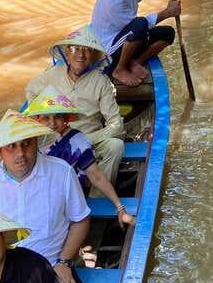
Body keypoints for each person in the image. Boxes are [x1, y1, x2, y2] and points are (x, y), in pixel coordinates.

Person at [0, 108, 91, 283]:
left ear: (36, 143)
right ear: (0, 151)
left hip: (51, 266)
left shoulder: (62, 172)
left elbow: (81, 220)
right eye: (11, 146)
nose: (20, 153)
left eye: (26, 144)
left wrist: (64, 262)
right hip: (4, 269)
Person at [24, 85, 136, 231]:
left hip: (67, 198)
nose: (52, 123)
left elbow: (97, 177)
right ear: (38, 119)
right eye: (46, 118)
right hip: (38, 197)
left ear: (65, 118)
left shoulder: (77, 140)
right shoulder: (30, 142)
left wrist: (119, 207)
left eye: (58, 117)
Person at [26, 25, 125, 185]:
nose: (81, 54)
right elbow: (31, 90)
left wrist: (87, 139)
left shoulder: (101, 82)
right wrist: (40, 118)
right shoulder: (51, 74)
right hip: (55, 138)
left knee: (115, 146)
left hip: (90, 139)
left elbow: (116, 124)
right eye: (75, 48)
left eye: (87, 50)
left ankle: (98, 194)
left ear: (93, 55)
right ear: (66, 52)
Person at [91, 0, 180, 88]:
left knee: (168, 33)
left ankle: (136, 62)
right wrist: (167, 13)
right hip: (107, 52)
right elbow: (137, 27)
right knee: (140, 24)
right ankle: (120, 69)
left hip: (125, 38)